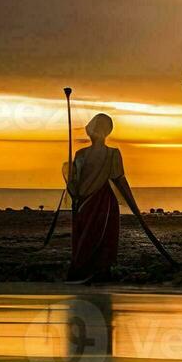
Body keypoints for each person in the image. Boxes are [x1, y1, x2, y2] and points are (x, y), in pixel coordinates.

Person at [63, 113, 143, 283]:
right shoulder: (81, 154)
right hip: (85, 202)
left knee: (98, 236)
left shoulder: (110, 154)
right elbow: (74, 181)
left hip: (102, 202)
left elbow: (119, 180)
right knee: (84, 235)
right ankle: (85, 270)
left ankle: (97, 271)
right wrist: (70, 175)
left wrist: (134, 206)